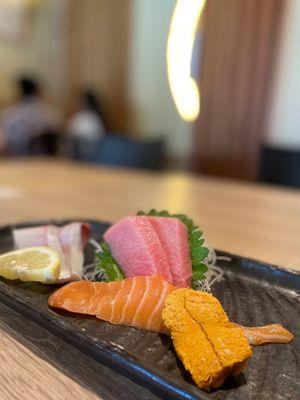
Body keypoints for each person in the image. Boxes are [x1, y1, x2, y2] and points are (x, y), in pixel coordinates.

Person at [1, 77, 62, 155]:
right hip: (48, 161)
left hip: (17, 161)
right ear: (37, 91)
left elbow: (3, 144)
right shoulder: (51, 114)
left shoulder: (10, 115)